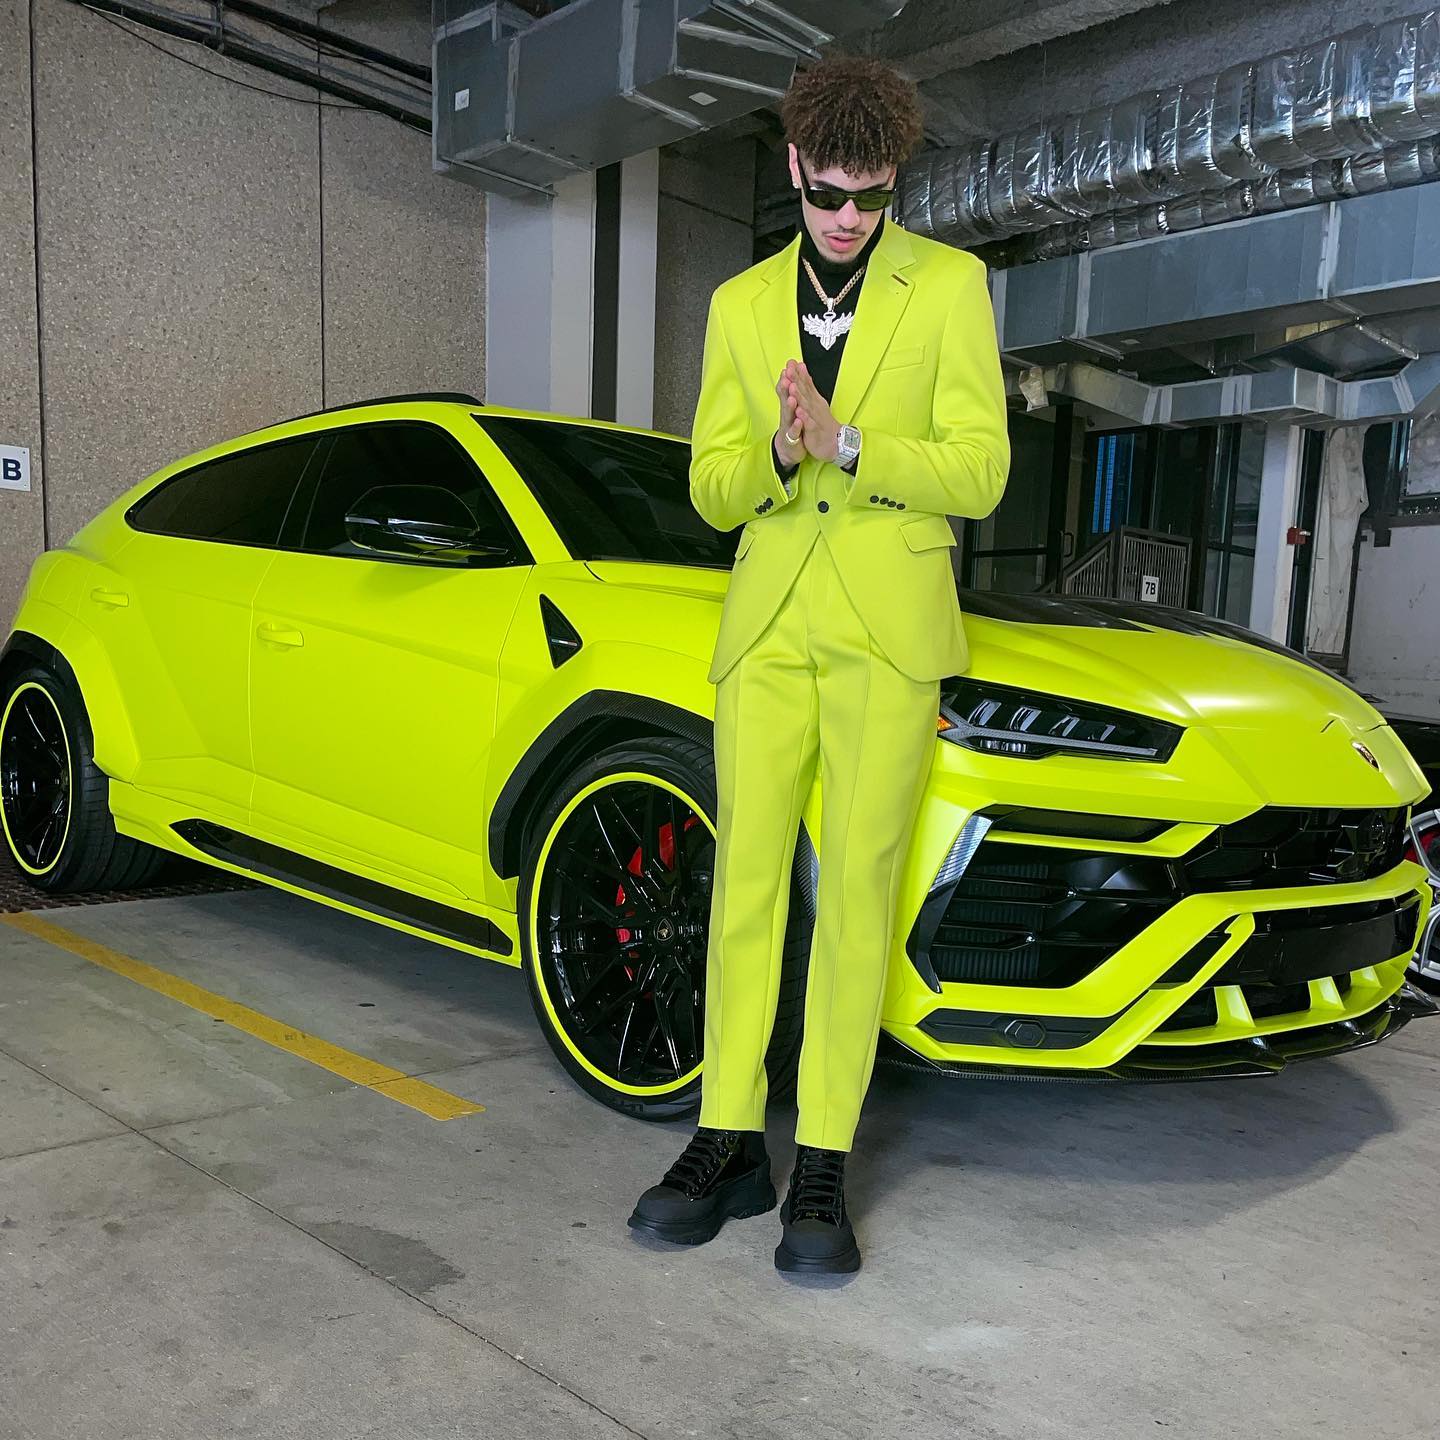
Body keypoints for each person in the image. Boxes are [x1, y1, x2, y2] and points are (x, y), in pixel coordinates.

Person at [628, 55, 1010, 1274]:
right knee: (741, 886)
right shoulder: (740, 306)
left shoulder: (950, 288)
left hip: (889, 635)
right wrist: (786, 462)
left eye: (874, 194)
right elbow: (707, 485)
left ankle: (826, 1163)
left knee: (855, 896)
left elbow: (981, 471)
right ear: (793, 166)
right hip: (769, 629)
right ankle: (729, 1139)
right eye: (832, 191)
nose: (850, 216)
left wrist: (853, 442)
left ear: (897, 181)